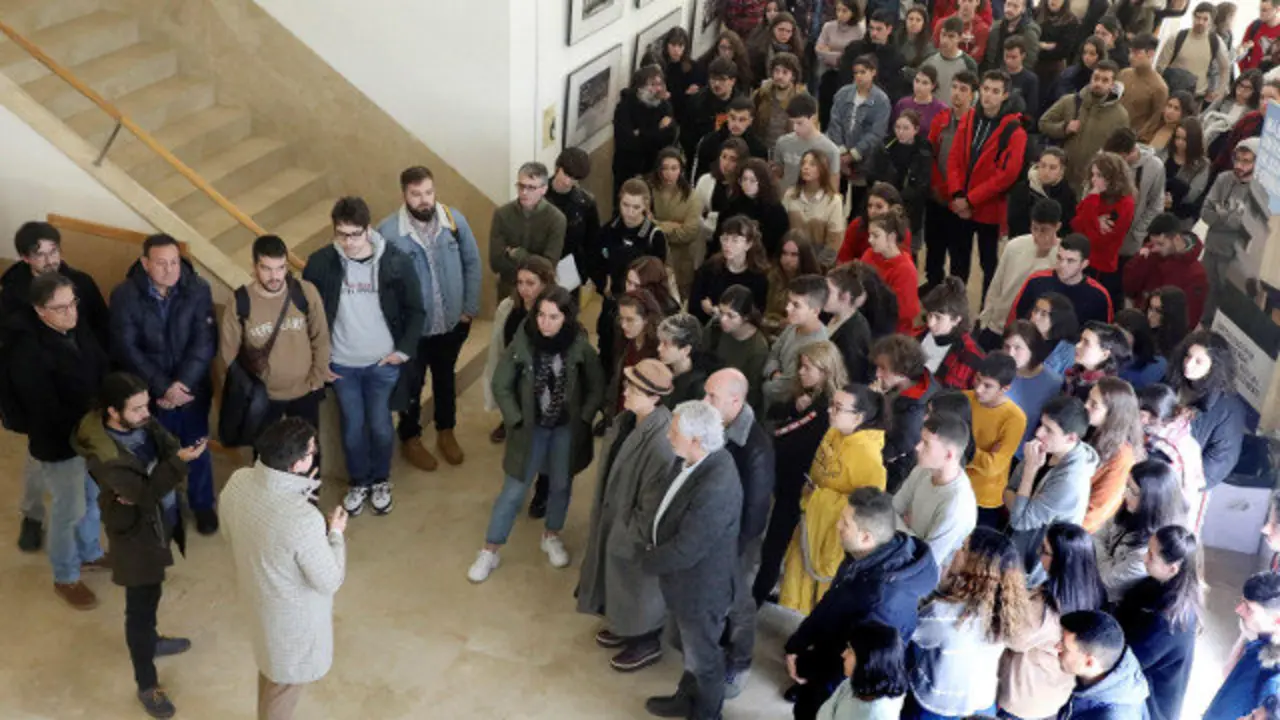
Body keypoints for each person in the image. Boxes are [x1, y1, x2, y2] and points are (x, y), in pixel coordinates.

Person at [73, 373, 204, 719]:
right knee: (140, 608)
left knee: (153, 590)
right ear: (113, 412)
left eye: (146, 405)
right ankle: (147, 683)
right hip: (134, 535)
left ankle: (152, 640)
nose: (147, 413)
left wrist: (160, 472)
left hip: (156, 521)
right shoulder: (106, 457)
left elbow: (165, 450)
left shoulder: (139, 423)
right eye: (137, 408)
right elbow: (146, 492)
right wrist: (175, 465)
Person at [469, 288, 605, 583]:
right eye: (541, 315)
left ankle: (551, 535)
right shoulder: (523, 342)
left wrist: (584, 417)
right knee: (514, 489)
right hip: (530, 429)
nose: (545, 322)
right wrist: (515, 419)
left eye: (553, 317)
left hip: (565, 428)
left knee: (560, 484)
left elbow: (597, 386)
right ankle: (490, 549)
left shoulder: (579, 346)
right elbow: (501, 383)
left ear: (566, 318)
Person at [219, 417, 345, 720]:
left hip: (258, 599)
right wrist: (335, 534)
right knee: (284, 685)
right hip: (291, 620)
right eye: (312, 452)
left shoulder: (238, 481)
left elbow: (230, 532)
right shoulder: (303, 520)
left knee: (271, 671)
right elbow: (329, 580)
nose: (314, 455)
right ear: (297, 464)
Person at [305, 197, 425, 516]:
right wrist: (320, 361)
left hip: (382, 363)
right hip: (342, 365)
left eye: (355, 234)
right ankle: (359, 482)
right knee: (352, 428)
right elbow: (309, 317)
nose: (348, 242)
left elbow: (416, 310)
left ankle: (381, 481)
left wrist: (402, 351)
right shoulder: (320, 263)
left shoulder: (396, 261)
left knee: (381, 427)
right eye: (341, 234)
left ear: (368, 229)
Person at [785, 487, 940, 720]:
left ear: (866, 537)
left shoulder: (882, 601)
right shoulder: (865, 554)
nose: (837, 526)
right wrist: (798, 643)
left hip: (839, 676)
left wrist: (810, 671)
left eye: (845, 523)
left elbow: (850, 665)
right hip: (831, 653)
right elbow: (833, 601)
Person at [3, 222, 110, 553]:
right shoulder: (13, 294)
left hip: (82, 390)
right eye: (40, 255)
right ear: (25, 258)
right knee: (41, 463)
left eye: (54, 251)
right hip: (45, 406)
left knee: (81, 485)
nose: (50, 260)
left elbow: (100, 329)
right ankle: (32, 516)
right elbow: (11, 358)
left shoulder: (81, 283)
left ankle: (86, 546)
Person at [10, 272, 110, 609]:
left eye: (73, 303)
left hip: (91, 435)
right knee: (69, 510)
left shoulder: (76, 329)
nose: (71, 313)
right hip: (59, 444)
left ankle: (90, 553)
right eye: (61, 308)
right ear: (40, 310)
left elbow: (100, 365)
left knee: (91, 498)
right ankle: (66, 577)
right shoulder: (28, 352)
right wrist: (93, 421)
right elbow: (44, 408)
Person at [108, 233, 217, 535]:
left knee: (198, 448)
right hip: (149, 393)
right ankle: (167, 507)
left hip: (191, 390)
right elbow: (127, 349)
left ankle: (202, 504)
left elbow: (205, 342)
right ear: (145, 263)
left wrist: (182, 384)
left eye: (174, 262)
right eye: (161, 263)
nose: (170, 270)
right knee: (156, 453)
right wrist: (163, 388)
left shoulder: (198, 289)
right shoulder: (125, 295)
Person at [641, 401, 743, 720]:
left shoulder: (717, 484)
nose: (668, 436)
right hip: (683, 582)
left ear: (697, 440)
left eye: (674, 432)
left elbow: (687, 548)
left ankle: (706, 714)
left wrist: (646, 561)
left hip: (701, 589)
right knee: (691, 653)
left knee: (705, 660)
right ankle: (686, 698)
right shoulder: (693, 460)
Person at [379, 167, 483, 475]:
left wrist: (469, 309)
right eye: (416, 194)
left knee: (445, 377)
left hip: (451, 324)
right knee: (412, 384)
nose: (424, 200)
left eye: (428, 192)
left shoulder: (454, 221)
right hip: (413, 332)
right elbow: (383, 287)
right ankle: (410, 437)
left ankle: (446, 430)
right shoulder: (388, 233)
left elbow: (472, 263)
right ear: (404, 195)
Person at [576, 359, 675, 673]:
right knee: (618, 581)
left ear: (654, 397)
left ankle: (645, 640)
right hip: (614, 515)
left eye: (634, 388)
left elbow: (651, 507)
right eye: (628, 384)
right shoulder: (628, 420)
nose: (626, 391)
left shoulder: (662, 441)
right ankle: (624, 625)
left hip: (632, 530)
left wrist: (627, 533)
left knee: (637, 586)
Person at [781, 383, 889, 614]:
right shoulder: (834, 432)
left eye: (838, 408)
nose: (830, 410)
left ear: (858, 417)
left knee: (819, 601)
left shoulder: (869, 458)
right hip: (810, 522)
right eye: (832, 404)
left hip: (833, 539)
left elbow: (866, 512)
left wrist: (820, 498)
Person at [755, 340, 846, 605]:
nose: (801, 372)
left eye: (808, 368)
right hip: (787, 481)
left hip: (799, 485)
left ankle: (758, 595)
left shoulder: (826, 408)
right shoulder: (806, 397)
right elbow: (775, 413)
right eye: (801, 366)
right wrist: (795, 409)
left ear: (826, 371)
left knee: (776, 547)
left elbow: (788, 439)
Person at [906, 528, 1031, 720]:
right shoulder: (1007, 609)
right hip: (982, 703)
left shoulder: (943, 613)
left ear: (976, 567)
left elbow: (913, 633)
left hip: (938, 706)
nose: (956, 551)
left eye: (963, 548)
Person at [703, 369, 775, 696]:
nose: (704, 401)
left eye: (711, 396)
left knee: (738, 602)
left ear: (735, 401)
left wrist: (733, 549)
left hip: (737, 541)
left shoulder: (755, 447)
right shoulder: (716, 426)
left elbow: (755, 512)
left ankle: (739, 660)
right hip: (713, 532)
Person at [219, 234, 329, 442]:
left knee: (308, 451)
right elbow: (229, 352)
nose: (275, 276)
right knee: (264, 453)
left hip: (305, 391)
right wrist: (249, 388)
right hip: (264, 397)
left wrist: (316, 379)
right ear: (254, 267)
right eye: (267, 268)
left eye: (280, 268)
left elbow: (320, 337)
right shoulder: (240, 301)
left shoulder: (305, 293)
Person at [999, 522, 1107, 720]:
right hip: (1056, 690)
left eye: (1045, 551)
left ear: (1061, 561)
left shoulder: (1046, 608)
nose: (1039, 555)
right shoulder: (1093, 590)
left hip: (1025, 697)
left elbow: (1013, 638)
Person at [945, 70, 1027, 299]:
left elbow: (1006, 175)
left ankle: (986, 311)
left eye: (995, 91)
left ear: (1005, 95)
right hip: (961, 203)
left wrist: (970, 200)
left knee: (989, 264)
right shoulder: (970, 117)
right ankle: (953, 306)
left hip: (988, 208)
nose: (988, 95)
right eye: (985, 89)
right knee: (958, 261)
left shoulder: (1014, 130)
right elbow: (954, 158)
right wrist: (957, 194)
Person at [1005, 396, 1100, 576]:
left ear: (1071, 437)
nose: (1038, 433)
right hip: (1012, 543)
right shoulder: (1048, 448)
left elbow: (1019, 520)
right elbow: (1009, 489)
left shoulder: (1070, 481)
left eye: (1049, 430)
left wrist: (1030, 471)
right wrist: (1020, 506)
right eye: (1042, 424)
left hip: (1030, 562)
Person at [1115, 525, 1201, 720]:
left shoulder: (1168, 621)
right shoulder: (1161, 584)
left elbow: (1128, 663)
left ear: (1172, 568)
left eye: (1151, 556)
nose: (1144, 558)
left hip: (1151, 706)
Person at [593, 178, 669, 374]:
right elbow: (595, 261)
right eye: (625, 205)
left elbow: (658, 275)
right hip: (613, 301)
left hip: (640, 307)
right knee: (607, 352)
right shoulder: (608, 230)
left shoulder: (654, 236)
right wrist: (602, 283)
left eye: (636, 207)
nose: (630, 212)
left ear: (645, 206)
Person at [484, 256, 557, 444]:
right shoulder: (508, 307)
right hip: (513, 365)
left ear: (545, 283)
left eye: (531, 283)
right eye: (520, 282)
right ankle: (510, 421)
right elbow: (499, 342)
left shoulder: (554, 311)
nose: (524, 288)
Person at [893, 412, 979, 567]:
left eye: (926, 443)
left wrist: (901, 528)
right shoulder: (923, 469)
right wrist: (912, 535)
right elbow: (893, 510)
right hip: (900, 554)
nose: (917, 447)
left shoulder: (957, 505)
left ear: (948, 455)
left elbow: (926, 560)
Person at [1094, 459, 1183, 602]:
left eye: (1133, 491)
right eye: (1127, 486)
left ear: (1152, 500)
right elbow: (1096, 536)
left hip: (1110, 600)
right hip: (1094, 579)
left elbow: (1105, 579)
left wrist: (1098, 553)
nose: (1125, 494)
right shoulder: (1130, 510)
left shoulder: (1152, 548)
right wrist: (1108, 561)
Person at [1167, 330, 1246, 492]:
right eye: (1188, 356)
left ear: (1214, 366)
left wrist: (1179, 485)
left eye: (1198, 361)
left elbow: (1219, 462)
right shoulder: (1174, 381)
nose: (1188, 364)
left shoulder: (1229, 409)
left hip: (1180, 487)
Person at [1201, 137, 1268, 325]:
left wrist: (1221, 212)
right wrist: (1232, 215)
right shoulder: (1224, 178)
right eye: (1237, 159)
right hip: (1211, 250)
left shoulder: (1261, 192)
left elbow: (1247, 226)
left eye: (1246, 161)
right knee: (1204, 299)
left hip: (1234, 260)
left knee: (1227, 308)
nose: (1239, 165)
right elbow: (1205, 213)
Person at [978, 199, 1061, 349]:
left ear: (1057, 227)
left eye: (1044, 230)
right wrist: (985, 320)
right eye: (1034, 228)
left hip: (1028, 336)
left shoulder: (1062, 258)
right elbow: (996, 286)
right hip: (997, 326)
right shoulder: (1014, 246)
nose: (1037, 234)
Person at [1040, 60, 1130, 193]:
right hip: (1061, 176)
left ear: (1112, 85)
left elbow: (1120, 152)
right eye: (1096, 78)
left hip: (1092, 183)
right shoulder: (1069, 101)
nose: (1098, 83)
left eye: (1105, 80)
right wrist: (1064, 128)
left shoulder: (1120, 115)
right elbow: (1043, 123)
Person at [924, 70, 978, 290]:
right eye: (954, 87)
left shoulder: (977, 125)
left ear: (972, 95)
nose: (957, 93)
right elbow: (929, 154)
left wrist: (958, 194)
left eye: (963, 89)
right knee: (934, 247)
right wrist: (938, 187)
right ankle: (933, 286)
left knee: (960, 253)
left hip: (961, 201)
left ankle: (956, 293)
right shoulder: (940, 119)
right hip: (937, 197)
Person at [1203, 573, 1280, 720]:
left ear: (1277, 620)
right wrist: (1245, 634)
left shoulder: (1274, 683)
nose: (1238, 609)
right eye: (1242, 601)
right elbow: (1229, 672)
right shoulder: (1266, 637)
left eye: (1249, 608)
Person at [964, 353, 1026, 527]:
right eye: (978, 379)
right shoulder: (964, 398)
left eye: (988, 386)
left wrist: (962, 447)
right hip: (952, 482)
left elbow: (993, 466)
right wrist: (982, 455)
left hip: (982, 498)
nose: (978, 389)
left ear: (1005, 389)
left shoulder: (1015, 418)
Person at [488, 161, 565, 301]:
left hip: (541, 293)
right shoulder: (502, 214)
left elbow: (549, 266)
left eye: (531, 187)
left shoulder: (556, 219)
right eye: (521, 186)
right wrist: (536, 262)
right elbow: (496, 262)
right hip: (508, 290)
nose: (524, 192)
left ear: (544, 189)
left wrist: (518, 254)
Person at [872, 334, 939, 493]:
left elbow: (887, 452)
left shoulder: (913, 414)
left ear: (902, 372)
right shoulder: (903, 387)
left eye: (883, 368)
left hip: (890, 479)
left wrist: (873, 403)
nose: (877, 374)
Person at [1057, 610, 1152, 720]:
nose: (1056, 647)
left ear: (1089, 663)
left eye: (1064, 647)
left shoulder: (1110, 716)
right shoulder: (1120, 676)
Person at [1070, 152, 1135, 303]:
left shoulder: (1125, 203)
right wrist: (1095, 220)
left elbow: (1098, 239)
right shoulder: (1096, 195)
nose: (1093, 180)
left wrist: (1091, 216)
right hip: (1082, 258)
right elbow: (1075, 224)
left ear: (1112, 178)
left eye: (1099, 175)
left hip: (1101, 266)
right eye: (1093, 174)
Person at [1010, 234, 1114, 328]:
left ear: (1084, 264)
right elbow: (1015, 319)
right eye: (1059, 258)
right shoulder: (1036, 281)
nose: (1062, 265)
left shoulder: (1098, 295)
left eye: (1070, 261)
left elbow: (1104, 335)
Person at [829, 54, 893, 204]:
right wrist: (841, 151)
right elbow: (834, 122)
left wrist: (853, 154)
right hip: (838, 156)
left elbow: (877, 133)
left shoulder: (881, 100)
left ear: (873, 72)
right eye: (856, 72)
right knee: (835, 199)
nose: (859, 76)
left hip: (866, 161)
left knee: (860, 204)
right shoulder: (843, 93)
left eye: (863, 72)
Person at [1137, 384, 1206, 524]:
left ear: (1155, 417)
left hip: (1164, 513)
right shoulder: (1181, 433)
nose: (1138, 418)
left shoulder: (1165, 452)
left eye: (1141, 415)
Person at [1122, 213, 1207, 324]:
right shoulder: (1151, 252)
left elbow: (1189, 318)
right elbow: (1129, 287)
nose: (1155, 248)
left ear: (1177, 239)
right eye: (1153, 243)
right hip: (1139, 318)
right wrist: (1141, 261)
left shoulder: (1196, 275)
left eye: (1160, 244)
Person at [763, 275, 831, 409]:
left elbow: (783, 389)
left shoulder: (816, 346)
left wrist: (768, 380)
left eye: (796, 305)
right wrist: (774, 373)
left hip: (782, 409)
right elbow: (773, 353)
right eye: (789, 301)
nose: (788, 308)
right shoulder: (794, 325)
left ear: (815, 311)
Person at [816, 622, 909, 720]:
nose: (843, 654)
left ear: (868, 661)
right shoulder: (861, 680)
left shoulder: (876, 715)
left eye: (850, 651)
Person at [689, 214, 771, 325]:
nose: (727, 245)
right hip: (708, 326)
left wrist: (718, 313)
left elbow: (756, 315)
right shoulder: (710, 268)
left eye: (735, 240)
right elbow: (694, 304)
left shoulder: (758, 277)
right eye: (725, 239)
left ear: (748, 244)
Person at [544, 148, 601, 303]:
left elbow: (592, 242)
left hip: (569, 271)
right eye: (566, 174)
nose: (568, 182)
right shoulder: (537, 194)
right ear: (557, 167)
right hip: (540, 268)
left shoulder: (586, 203)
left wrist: (586, 273)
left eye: (575, 178)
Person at [613, 65, 679, 199]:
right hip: (628, 168)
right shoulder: (625, 107)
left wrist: (641, 133)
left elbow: (670, 137)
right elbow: (626, 143)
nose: (658, 89)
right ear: (640, 87)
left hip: (655, 168)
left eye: (660, 84)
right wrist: (657, 132)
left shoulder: (664, 105)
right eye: (653, 84)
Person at [865, 109, 933, 239]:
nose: (900, 132)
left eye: (906, 128)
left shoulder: (923, 151)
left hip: (910, 210)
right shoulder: (884, 147)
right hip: (883, 207)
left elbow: (922, 184)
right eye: (898, 127)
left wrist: (897, 199)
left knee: (907, 243)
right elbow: (871, 173)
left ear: (916, 129)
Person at [1002, 320, 1065, 456]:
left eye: (1018, 348)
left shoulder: (1053, 383)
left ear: (1032, 349)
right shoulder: (1000, 369)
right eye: (1007, 347)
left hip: (1018, 454)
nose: (1010, 353)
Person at [1105, 128, 1165, 267]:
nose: (1115, 162)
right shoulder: (1105, 157)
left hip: (1129, 242)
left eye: (1120, 158)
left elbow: (1156, 204)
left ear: (1131, 151)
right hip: (1100, 236)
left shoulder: (1154, 167)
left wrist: (1138, 232)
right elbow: (1089, 189)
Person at [648, 148, 702, 300]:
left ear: (681, 170)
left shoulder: (691, 197)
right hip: (654, 258)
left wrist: (656, 224)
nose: (669, 173)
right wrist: (672, 225)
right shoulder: (650, 191)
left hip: (680, 263)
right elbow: (644, 224)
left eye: (674, 168)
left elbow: (689, 233)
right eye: (664, 168)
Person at [706, 286, 771, 409]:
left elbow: (752, 394)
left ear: (746, 317)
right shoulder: (715, 328)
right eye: (721, 312)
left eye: (731, 316)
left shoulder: (757, 349)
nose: (723, 319)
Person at [917, 277, 985, 390]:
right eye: (929, 314)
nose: (930, 323)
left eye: (938, 317)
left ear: (956, 319)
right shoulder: (918, 335)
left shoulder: (972, 357)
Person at [1154, 2, 1229, 103]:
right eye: (1198, 17)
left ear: (1211, 21)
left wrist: (1219, 91)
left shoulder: (1216, 42)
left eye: (1205, 19)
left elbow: (1225, 67)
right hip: (1171, 94)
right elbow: (1160, 67)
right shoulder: (1177, 37)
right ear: (1193, 16)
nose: (1200, 22)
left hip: (1196, 98)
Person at [715, 157, 790, 256]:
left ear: (762, 182)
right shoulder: (731, 204)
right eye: (744, 179)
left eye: (752, 180)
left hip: (762, 258)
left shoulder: (775, 210)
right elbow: (719, 234)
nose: (747, 184)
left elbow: (778, 244)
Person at [862, 214, 920, 334]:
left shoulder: (906, 270)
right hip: (869, 318)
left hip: (893, 331)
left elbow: (903, 313)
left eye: (875, 236)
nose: (869, 240)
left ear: (891, 237)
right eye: (869, 235)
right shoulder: (869, 254)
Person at [783, 151, 845, 260]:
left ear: (823, 168)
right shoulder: (790, 195)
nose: (805, 167)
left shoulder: (833, 201)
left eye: (812, 164)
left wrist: (819, 265)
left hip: (819, 261)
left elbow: (834, 241)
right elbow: (781, 229)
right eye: (803, 163)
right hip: (791, 257)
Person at [775, 94, 842, 193]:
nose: (795, 128)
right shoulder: (782, 143)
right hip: (787, 199)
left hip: (815, 200)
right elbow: (777, 175)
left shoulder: (830, 150)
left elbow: (833, 189)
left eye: (799, 123)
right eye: (792, 123)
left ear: (813, 118)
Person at [693, 95, 769, 182]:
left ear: (750, 121)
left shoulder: (758, 149)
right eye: (733, 118)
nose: (736, 124)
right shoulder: (709, 142)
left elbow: (761, 181)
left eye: (742, 120)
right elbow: (698, 178)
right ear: (727, 117)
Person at [683, 58, 744, 166]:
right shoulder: (697, 102)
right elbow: (686, 137)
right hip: (702, 160)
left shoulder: (742, 105)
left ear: (732, 81)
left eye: (722, 79)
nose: (716, 83)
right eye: (713, 78)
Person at [838, 10, 909, 101]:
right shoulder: (854, 49)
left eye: (879, 29)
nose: (874, 33)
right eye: (871, 28)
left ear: (889, 29)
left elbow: (895, 89)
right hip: (851, 98)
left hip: (880, 102)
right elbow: (844, 76)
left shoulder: (897, 58)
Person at [1007, 148, 1077, 239]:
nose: (1046, 172)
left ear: (1062, 170)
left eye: (1052, 168)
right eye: (1043, 166)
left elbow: (1067, 228)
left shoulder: (1068, 195)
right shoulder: (1022, 189)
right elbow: (1014, 223)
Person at [838, 182, 914, 264]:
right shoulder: (857, 225)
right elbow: (843, 259)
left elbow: (904, 262)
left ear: (892, 208)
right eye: (869, 206)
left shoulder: (903, 232)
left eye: (879, 206)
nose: (872, 211)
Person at [695, 136, 748, 251]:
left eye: (732, 159)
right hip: (706, 239)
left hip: (735, 243)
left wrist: (712, 216)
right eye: (724, 157)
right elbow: (695, 213)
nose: (726, 163)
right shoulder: (706, 180)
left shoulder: (745, 185)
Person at [765, 230, 822, 335]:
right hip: (769, 328)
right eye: (784, 253)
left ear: (804, 256)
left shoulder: (812, 284)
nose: (787, 259)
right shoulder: (773, 276)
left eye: (794, 255)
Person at [816, 0, 867, 116]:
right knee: (825, 111)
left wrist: (830, 52)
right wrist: (842, 55)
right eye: (838, 10)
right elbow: (819, 51)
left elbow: (856, 57)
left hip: (848, 77)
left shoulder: (859, 31)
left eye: (844, 11)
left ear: (853, 12)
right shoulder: (828, 27)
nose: (840, 14)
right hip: (827, 74)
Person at [825, 264, 873, 384]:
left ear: (845, 297)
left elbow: (851, 379)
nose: (823, 294)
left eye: (828, 291)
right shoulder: (832, 314)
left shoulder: (852, 337)